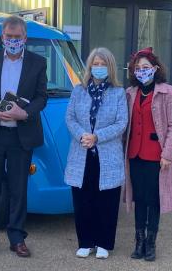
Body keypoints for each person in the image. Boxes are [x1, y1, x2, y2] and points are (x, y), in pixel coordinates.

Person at [0, 15, 48, 257]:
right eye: (9, 37)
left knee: (18, 189)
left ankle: (17, 238)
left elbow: (41, 97)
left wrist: (24, 113)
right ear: (2, 37)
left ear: (25, 38)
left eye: (17, 37)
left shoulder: (38, 63)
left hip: (21, 135)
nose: (13, 41)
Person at [65, 47, 128, 259]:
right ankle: (86, 241)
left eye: (103, 64)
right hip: (81, 152)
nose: (98, 67)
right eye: (95, 63)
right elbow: (70, 118)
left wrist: (97, 136)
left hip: (107, 154)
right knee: (83, 199)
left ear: (110, 67)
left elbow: (121, 123)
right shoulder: (78, 90)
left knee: (107, 200)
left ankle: (103, 243)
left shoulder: (118, 93)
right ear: (89, 66)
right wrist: (83, 135)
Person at [125, 47, 172, 262]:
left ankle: (151, 242)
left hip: (156, 156)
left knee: (154, 199)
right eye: (138, 68)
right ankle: (138, 241)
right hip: (135, 154)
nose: (142, 71)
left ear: (155, 68)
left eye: (146, 67)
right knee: (139, 199)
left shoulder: (169, 92)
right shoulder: (130, 93)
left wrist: (168, 153)